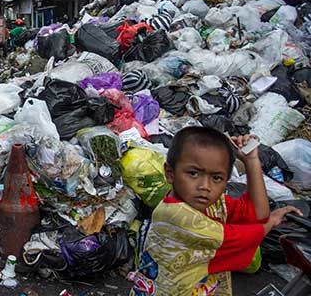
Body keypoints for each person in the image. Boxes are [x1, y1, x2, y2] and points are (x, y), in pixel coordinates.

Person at [129, 126, 303, 296]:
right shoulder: (176, 216)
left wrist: (251, 161)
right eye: (193, 174)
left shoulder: (210, 203)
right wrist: (272, 221)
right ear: (170, 173)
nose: (205, 186)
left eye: (217, 178)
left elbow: (257, 214)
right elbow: (241, 238)